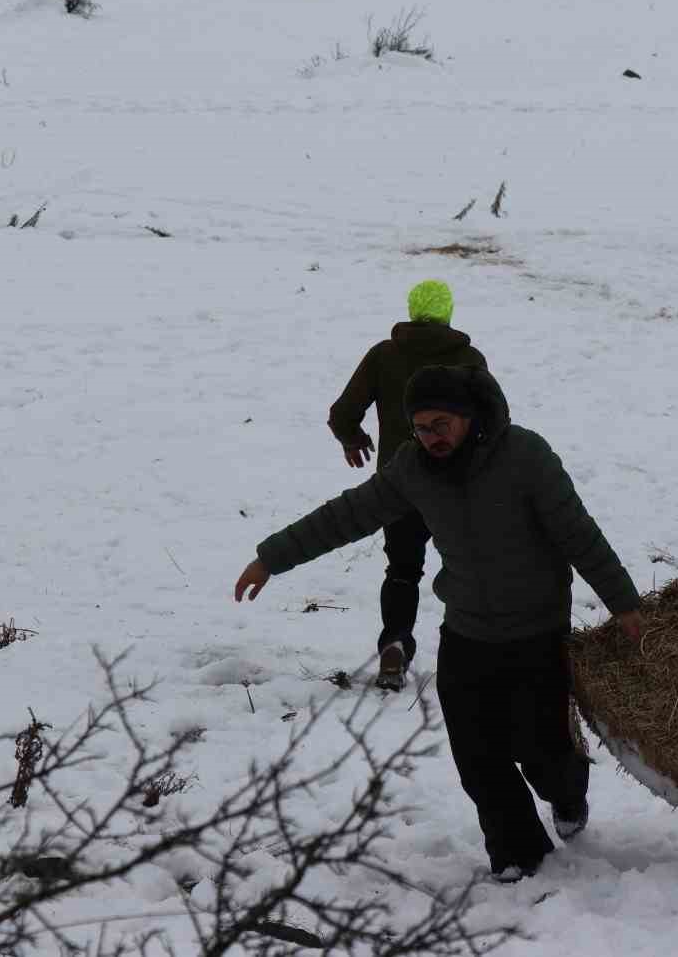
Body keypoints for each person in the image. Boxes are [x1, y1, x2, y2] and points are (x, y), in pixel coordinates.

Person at [235, 365, 643, 882]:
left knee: (540, 750)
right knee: (478, 757)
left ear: (468, 416)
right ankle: (519, 856)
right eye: (421, 428)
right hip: (467, 635)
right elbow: (347, 515)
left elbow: (580, 535)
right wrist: (271, 557)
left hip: (537, 633)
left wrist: (625, 605)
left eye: (441, 424)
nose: (432, 438)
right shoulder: (413, 468)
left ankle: (567, 789)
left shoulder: (525, 457)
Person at [327, 279, 487, 691]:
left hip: (398, 486)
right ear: (449, 313)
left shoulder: (385, 355)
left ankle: (395, 643)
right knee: (468, 568)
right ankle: (473, 656)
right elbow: (490, 421)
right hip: (459, 485)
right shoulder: (469, 359)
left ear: (412, 311)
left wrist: (354, 439)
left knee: (402, 569)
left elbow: (343, 412)